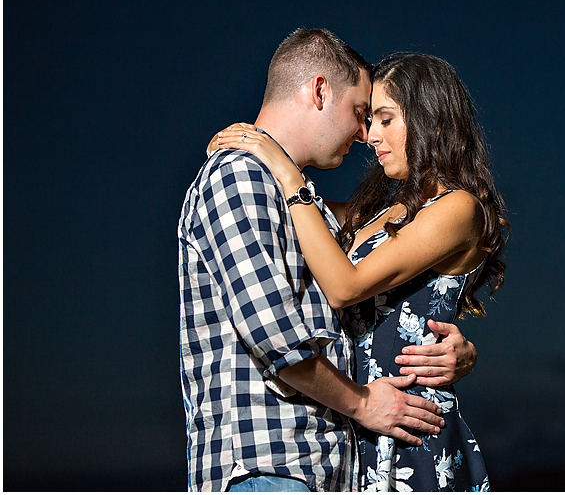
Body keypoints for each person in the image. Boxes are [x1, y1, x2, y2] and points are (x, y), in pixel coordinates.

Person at [179, 30, 478, 493]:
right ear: (320, 90)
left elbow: (370, 290)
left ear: (429, 120)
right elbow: (276, 338)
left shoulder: (307, 201)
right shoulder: (246, 179)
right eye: (364, 114)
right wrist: (361, 404)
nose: (366, 136)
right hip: (281, 460)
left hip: (382, 435)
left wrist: (461, 353)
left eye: (382, 119)